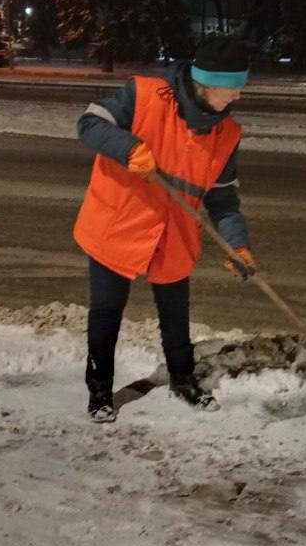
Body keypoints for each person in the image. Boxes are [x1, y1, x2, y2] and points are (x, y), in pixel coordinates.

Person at [74, 35, 255, 422]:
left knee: (176, 314)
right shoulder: (144, 95)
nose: (238, 96)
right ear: (206, 84)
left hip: (174, 232)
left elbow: (223, 200)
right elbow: (89, 124)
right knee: (107, 310)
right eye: (233, 88)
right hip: (119, 223)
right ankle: (100, 391)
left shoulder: (226, 134)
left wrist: (236, 246)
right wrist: (129, 148)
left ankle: (183, 380)